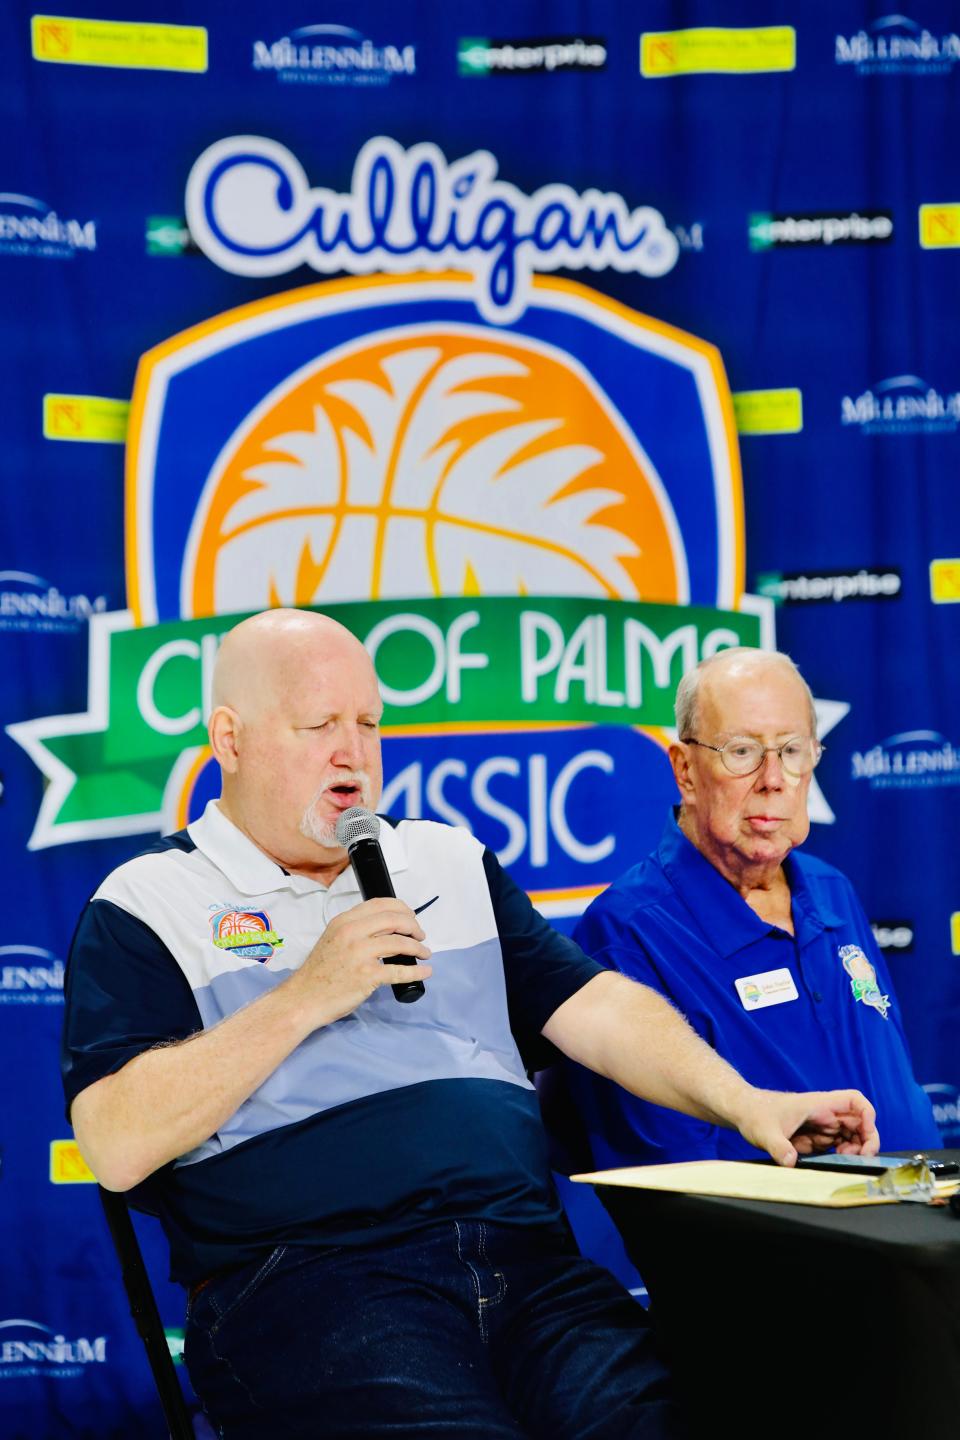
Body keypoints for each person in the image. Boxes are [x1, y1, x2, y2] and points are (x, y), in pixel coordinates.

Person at [62, 612, 880, 1440]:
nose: (354, 752)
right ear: (229, 741)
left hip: (527, 1268)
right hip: (313, 1284)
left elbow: (597, 1007)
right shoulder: (149, 902)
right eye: (319, 727)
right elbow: (115, 1142)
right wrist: (306, 994)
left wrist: (748, 1103)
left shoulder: (447, 861)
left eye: (370, 724)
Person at [566, 647, 939, 1175]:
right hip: (795, 1250)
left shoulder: (833, 892)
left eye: (791, 751)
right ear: (686, 771)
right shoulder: (627, 931)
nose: (773, 778)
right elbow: (670, 1188)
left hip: (920, 1228)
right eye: (742, 752)